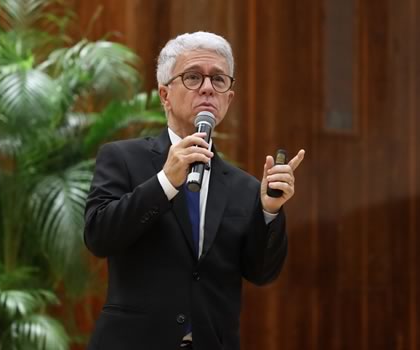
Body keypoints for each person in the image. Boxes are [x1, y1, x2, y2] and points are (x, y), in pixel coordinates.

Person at [83, 31, 305, 350]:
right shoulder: (122, 158)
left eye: (218, 80)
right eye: (192, 77)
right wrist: (165, 182)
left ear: (228, 98)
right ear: (164, 95)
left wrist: (270, 210)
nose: (207, 88)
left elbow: (261, 273)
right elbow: (98, 236)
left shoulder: (245, 187)